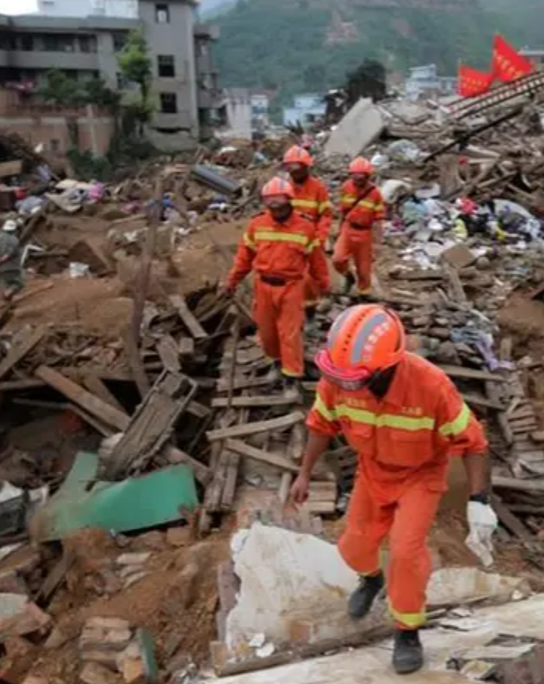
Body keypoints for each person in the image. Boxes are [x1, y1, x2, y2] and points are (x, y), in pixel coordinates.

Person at [291, 304, 496, 675]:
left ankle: (407, 630)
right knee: (353, 546)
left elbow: (474, 443)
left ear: (386, 367)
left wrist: (479, 502)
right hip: (373, 473)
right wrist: (304, 473)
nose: (346, 385)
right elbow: (321, 424)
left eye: (355, 379)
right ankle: (371, 578)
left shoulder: (431, 386)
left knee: (404, 551)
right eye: (341, 378)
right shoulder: (339, 379)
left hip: (421, 475)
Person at [226, 178, 331, 388]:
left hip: (291, 286)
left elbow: (317, 261)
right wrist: (232, 281)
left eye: (280, 204)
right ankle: (276, 362)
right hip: (263, 285)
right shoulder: (257, 225)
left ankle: (292, 376)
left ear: (290, 202)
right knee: (267, 332)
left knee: (289, 332)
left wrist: (324, 285)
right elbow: (244, 257)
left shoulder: (305, 227)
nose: (275, 209)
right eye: (270, 204)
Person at [283, 145, 333, 311]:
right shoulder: (285, 188)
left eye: (297, 168)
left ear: (306, 167)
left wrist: (320, 237)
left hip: (312, 240)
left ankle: (314, 307)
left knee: (314, 275)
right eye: (291, 169)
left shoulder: (318, 188)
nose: (294, 173)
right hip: (291, 241)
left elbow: (325, 214)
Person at [334, 157, 386, 298]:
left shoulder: (375, 194)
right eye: (355, 175)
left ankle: (363, 296)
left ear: (367, 176)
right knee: (338, 259)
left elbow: (378, 219)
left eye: (361, 176)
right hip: (348, 228)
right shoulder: (346, 187)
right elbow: (343, 211)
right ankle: (348, 276)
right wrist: (339, 230)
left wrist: (377, 242)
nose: (358, 179)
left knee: (364, 269)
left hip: (365, 232)